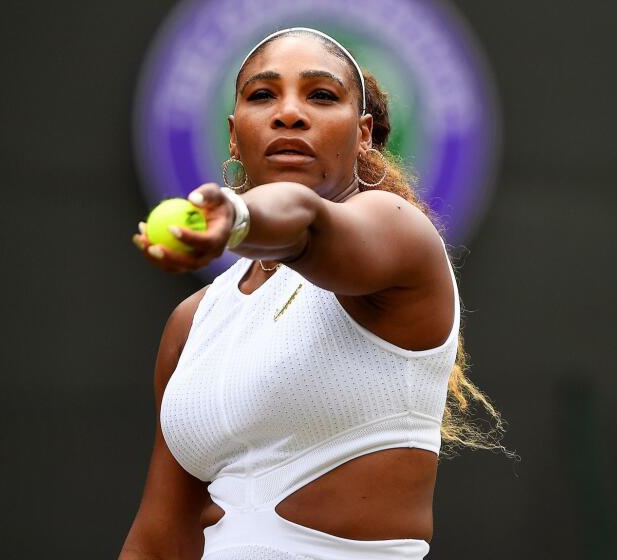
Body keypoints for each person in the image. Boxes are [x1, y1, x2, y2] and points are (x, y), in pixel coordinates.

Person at [120, 27, 506, 560]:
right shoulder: (193, 323)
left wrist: (236, 216)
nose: (289, 113)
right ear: (234, 134)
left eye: (321, 96)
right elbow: (159, 539)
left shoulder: (397, 231)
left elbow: (306, 221)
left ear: (364, 133)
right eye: (263, 95)